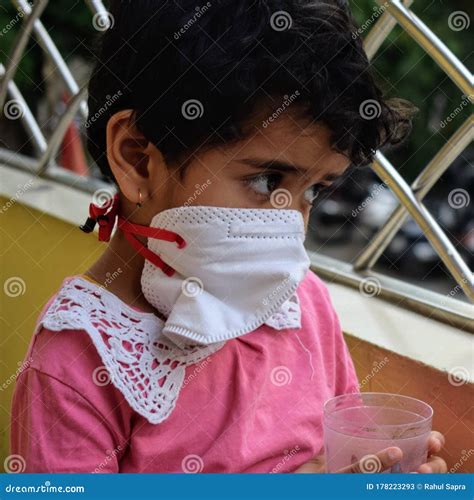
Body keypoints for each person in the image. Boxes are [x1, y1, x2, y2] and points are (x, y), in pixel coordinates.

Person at [10, 0, 446, 473]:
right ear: (137, 157)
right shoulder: (78, 363)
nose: (292, 223)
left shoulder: (303, 304)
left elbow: (335, 456)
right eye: (266, 181)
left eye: (315, 191)